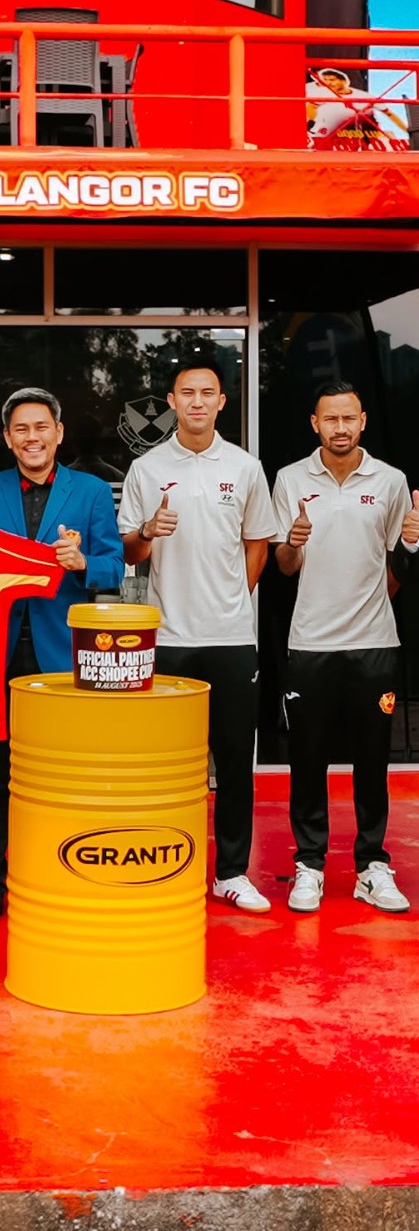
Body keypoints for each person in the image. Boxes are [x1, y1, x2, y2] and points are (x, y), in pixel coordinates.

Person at [0, 386, 124, 931]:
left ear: (59, 433)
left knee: (64, 775)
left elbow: (115, 568)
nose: (32, 437)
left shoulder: (91, 491)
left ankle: (61, 877)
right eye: (21, 429)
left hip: (62, 658)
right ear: (7, 438)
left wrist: (83, 563)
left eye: (41, 427)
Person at [119, 359, 275, 915]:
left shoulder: (245, 467)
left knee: (233, 763)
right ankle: (165, 866)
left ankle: (231, 873)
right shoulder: (146, 468)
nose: (198, 401)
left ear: (222, 402)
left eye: (208, 392)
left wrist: (234, 597)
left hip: (231, 639)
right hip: (169, 638)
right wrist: (147, 532)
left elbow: (258, 543)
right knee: (167, 765)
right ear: (172, 401)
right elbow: (130, 551)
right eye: (187, 392)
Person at [272, 381, 419, 914]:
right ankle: (309, 864)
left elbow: (396, 564)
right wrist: (293, 543)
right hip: (310, 642)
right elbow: (285, 566)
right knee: (307, 759)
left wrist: (411, 543)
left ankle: (371, 866)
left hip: (374, 642)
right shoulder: (290, 479)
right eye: (330, 419)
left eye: (348, 418)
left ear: (362, 422)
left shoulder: (390, 480)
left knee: (373, 760)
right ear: (315, 423)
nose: (340, 428)